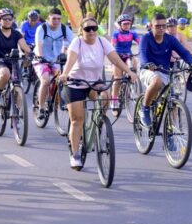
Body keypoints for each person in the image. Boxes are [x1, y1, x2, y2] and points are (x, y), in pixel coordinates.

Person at [59, 16, 138, 169]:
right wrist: (65, 73)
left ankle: (98, 123)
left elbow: (115, 59)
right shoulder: (78, 42)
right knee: (77, 120)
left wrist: (129, 72)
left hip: (94, 82)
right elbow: (71, 59)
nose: (91, 31)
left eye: (94, 28)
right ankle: (75, 154)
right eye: (87, 28)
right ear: (82, 31)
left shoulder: (102, 42)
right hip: (75, 83)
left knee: (105, 95)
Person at [138, 13, 192, 126]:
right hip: (148, 71)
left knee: (173, 100)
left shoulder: (170, 39)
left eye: (163, 26)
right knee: (156, 81)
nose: (161, 28)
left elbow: (184, 52)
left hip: (164, 71)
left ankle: (171, 134)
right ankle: (145, 109)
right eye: (157, 26)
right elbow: (142, 54)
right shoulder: (146, 38)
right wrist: (147, 64)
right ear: (151, 26)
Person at [33, 8, 74, 118]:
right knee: (45, 81)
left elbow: (73, 45)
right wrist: (40, 57)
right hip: (42, 60)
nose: (56, 21)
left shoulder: (65, 29)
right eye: (54, 18)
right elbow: (39, 45)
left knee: (64, 78)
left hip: (57, 60)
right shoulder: (42, 28)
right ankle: (41, 107)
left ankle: (57, 97)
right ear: (48, 18)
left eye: (59, 19)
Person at [0, 8, 33, 107]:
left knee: (18, 84)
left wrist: (32, 54)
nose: (8, 21)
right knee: (5, 73)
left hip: (12, 62)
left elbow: (25, 47)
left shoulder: (16, 33)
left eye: (10, 19)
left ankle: (17, 117)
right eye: (5, 19)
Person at [110, 13, 140, 114]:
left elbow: (141, 42)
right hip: (118, 57)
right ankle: (114, 100)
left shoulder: (133, 33)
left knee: (134, 63)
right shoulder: (116, 33)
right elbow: (112, 45)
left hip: (128, 55)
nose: (127, 25)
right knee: (117, 78)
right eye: (125, 24)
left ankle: (132, 86)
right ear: (120, 24)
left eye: (129, 23)